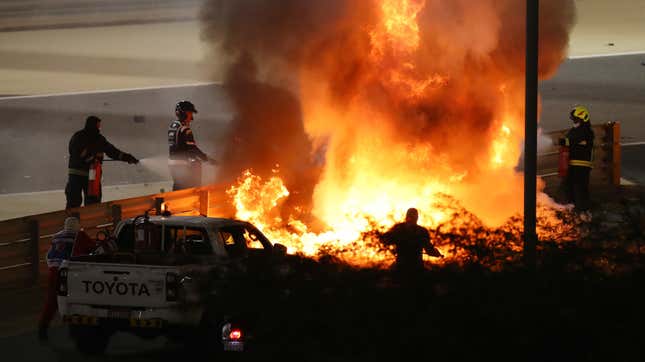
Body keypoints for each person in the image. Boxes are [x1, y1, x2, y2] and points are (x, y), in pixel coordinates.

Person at [66, 116, 139, 209]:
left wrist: (128, 157)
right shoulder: (80, 137)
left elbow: (113, 152)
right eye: (98, 126)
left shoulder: (98, 139)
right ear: (93, 125)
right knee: (76, 201)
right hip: (79, 175)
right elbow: (75, 152)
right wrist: (91, 157)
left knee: (90, 203)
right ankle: (73, 221)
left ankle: (86, 221)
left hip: (90, 175)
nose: (99, 128)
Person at [38, 217, 86, 341]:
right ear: (77, 226)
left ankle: (42, 329)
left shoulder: (56, 237)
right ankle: (74, 331)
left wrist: (52, 266)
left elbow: (48, 255)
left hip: (53, 272)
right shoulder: (79, 236)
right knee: (75, 300)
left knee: (51, 301)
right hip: (70, 273)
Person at [168, 100, 217, 190]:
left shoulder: (173, 126)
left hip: (173, 164)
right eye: (190, 113)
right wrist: (206, 158)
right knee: (191, 190)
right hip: (184, 165)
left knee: (178, 189)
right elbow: (192, 149)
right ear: (184, 113)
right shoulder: (185, 129)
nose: (191, 117)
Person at [381, 208, 443, 279]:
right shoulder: (422, 231)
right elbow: (429, 250)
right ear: (417, 218)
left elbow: (386, 241)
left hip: (401, 267)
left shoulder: (398, 228)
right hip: (416, 267)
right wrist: (436, 253)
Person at [559, 105, 594, 215]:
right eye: (574, 119)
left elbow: (573, 141)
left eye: (576, 119)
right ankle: (572, 209)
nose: (574, 121)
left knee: (580, 189)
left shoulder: (586, 131)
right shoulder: (575, 130)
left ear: (583, 119)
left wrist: (564, 142)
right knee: (568, 186)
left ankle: (584, 211)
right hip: (572, 164)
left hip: (582, 165)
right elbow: (570, 140)